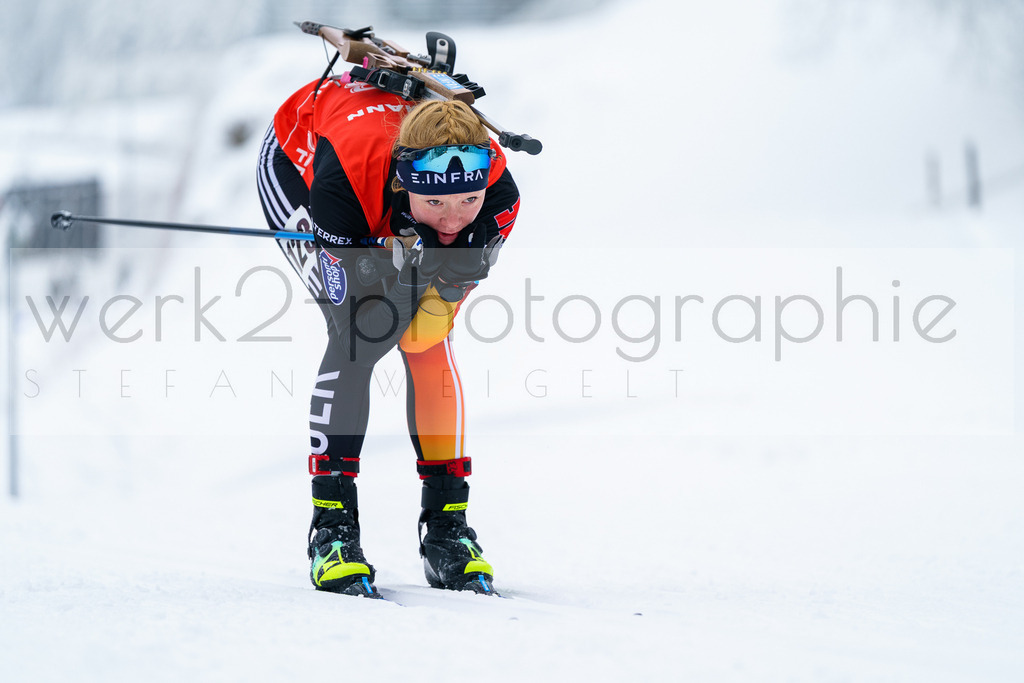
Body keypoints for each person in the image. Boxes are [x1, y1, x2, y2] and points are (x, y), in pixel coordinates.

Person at [256, 71, 520, 598]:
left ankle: (446, 528)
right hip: (302, 162)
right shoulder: (345, 183)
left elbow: (423, 330)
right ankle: (332, 530)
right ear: (405, 184)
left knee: (427, 344)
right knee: (353, 340)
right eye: (436, 205)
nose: (453, 220)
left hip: (384, 192)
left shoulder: (498, 198)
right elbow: (367, 329)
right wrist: (400, 271)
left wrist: (425, 265)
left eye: (466, 200)